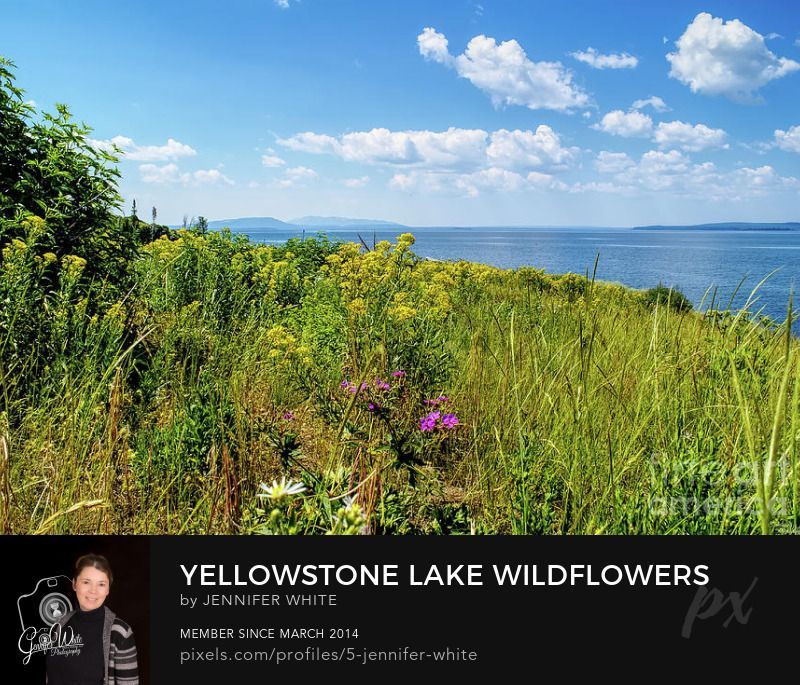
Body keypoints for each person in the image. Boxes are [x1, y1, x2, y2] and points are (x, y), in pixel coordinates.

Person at [46, 554, 139, 685]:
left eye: (101, 584)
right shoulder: (60, 624)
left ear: (107, 589)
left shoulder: (120, 632)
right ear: (74, 584)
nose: (93, 591)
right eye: (86, 582)